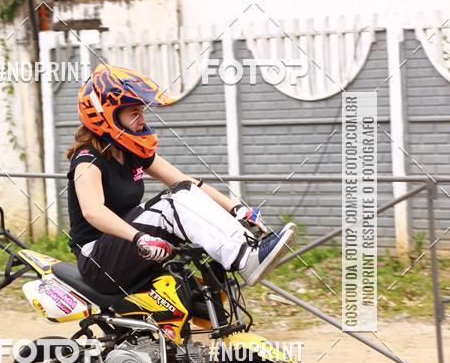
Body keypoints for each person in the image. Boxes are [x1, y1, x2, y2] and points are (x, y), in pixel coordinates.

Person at [66, 63, 296, 296]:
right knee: (171, 202)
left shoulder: (132, 152)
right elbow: (93, 212)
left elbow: (186, 183)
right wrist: (140, 238)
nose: (142, 120)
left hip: (127, 247)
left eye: (142, 112)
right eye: (134, 114)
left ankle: (248, 247)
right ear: (105, 116)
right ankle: (245, 258)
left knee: (183, 191)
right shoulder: (87, 159)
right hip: (98, 262)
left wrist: (236, 209)